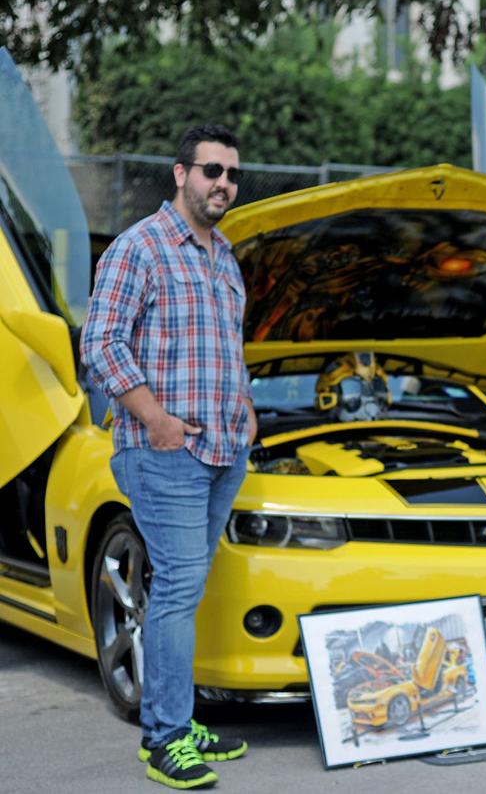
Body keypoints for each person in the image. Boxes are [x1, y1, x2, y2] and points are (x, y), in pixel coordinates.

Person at [81, 124, 254, 790]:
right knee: (181, 588)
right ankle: (165, 739)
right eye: (211, 170)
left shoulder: (224, 255)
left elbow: (224, 349)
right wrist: (154, 418)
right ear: (179, 174)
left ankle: (179, 714)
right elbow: (101, 342)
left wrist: (246, 407)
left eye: (232, 174)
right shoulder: (140, 248)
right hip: (165, 451)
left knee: (186, 590)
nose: (223, 184)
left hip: (222, 447)